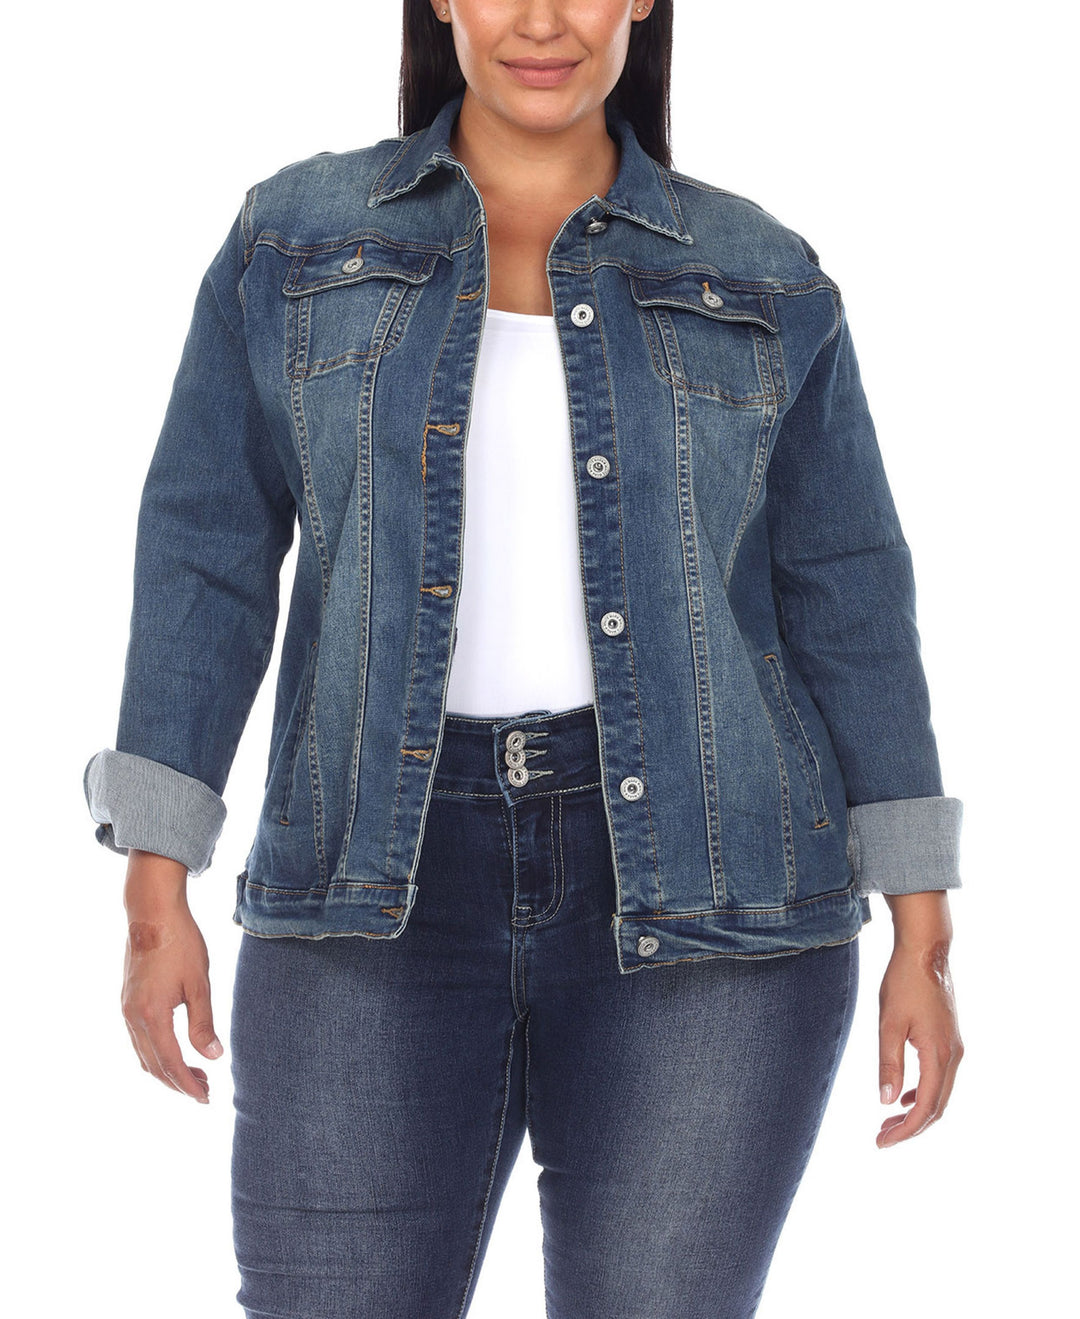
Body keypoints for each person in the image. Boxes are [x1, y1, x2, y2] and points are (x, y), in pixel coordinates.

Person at [82, 2, 966, 1315]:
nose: (541, 21)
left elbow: (848, 592)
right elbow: (207, 550)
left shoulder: (762, 273)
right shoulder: (297, 241)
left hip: (714, 902)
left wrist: (922, 933)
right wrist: (157, 893)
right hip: (364, 886)